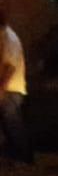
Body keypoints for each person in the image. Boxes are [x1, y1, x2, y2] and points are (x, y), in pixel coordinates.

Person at [0, 10, 33, 166]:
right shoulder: (5, 36)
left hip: (10, 89)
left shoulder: (8, 38)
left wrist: (1, 87)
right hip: (8, 88)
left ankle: (24, 157)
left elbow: (10, 66)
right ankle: (16, 156)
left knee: (13, 124)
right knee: (9, 124)